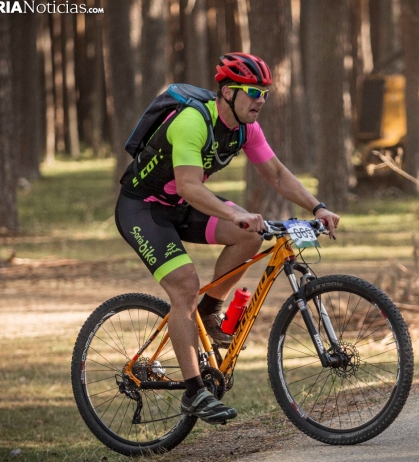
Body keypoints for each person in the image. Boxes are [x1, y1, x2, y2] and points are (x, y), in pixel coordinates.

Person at [114, 53, 340, 424]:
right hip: (144, 208)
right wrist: (234, 212)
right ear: (228, 92)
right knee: (185, 285)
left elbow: (278, 175)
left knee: (248, 237)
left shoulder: (245, 128)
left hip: (183, 204)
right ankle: (193, 393)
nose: (260, 101)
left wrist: (318, 207)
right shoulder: (193, 121)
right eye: (253, 92)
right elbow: (187, 186)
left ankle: (208, 312)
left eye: (264, 93)